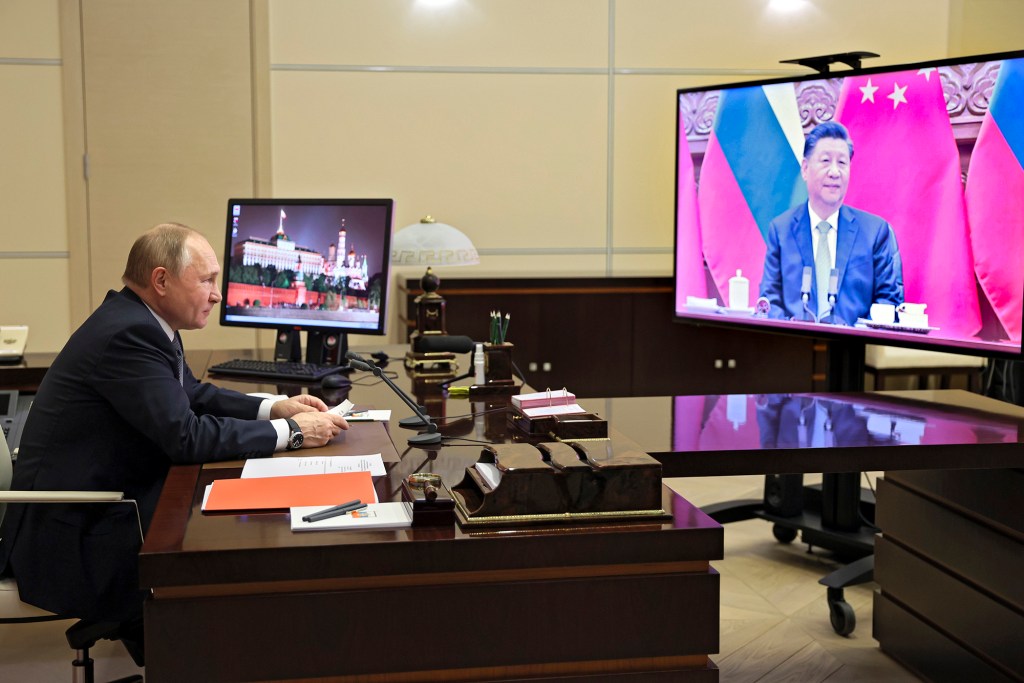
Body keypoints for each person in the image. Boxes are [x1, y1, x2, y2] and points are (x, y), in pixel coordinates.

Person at [0, 223, 349, 665]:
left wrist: (275, 408)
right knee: (225, 560)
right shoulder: (129, 334)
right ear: (161, 280)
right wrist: (296, 434)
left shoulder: (143, 321)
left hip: (101, 502)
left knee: (230, 527)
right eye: (206, 280)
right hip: (75, 531)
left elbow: (192, 395)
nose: (217, 294)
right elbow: (185, 436)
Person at [759, 121, 900, 324]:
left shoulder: (875, 232)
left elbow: (888, 301)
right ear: (805, 169)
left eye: (842, 163)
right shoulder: (781, 230)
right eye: (825, 161)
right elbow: (770, 301)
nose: (835, 172)